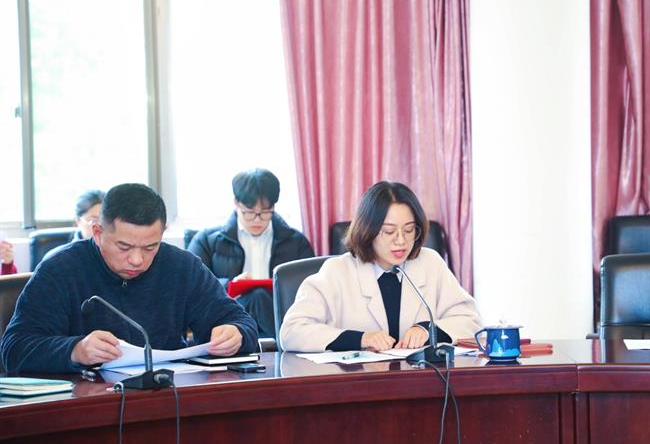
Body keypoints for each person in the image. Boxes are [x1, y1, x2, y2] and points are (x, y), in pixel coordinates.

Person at [1, 183, 258, 373]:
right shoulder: (61, 269)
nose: (137, 260)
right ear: (98, 233)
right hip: (85, 405)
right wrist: (75, 350)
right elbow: (14, 349)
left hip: (167, 396)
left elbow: (241, 322)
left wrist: (235, 334)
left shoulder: (182, 266)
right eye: (124, 247)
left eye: (150, 247)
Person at [280, 181, 482, 353]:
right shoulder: (337, 271)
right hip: (357, 381)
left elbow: (471, 321)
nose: (401, 241)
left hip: (419, 380)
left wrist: (427, 329)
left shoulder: (430, 263)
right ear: (368, 230)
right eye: (389, 232)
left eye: (409, 230)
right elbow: (292, 331)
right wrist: (361, 339)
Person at [189, 168, 314, 338]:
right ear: (236, 203)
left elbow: (310, 290)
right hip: (228, 317)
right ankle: (291, 340)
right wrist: (230, 285)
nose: (257, 219)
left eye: (265, 213)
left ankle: (288, 338)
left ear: (274, 206)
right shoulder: (207, 240)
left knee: (260, 296)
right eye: (249, 212)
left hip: (278, 315)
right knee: (256, 296)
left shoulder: (296, 242)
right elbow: (192, 287)